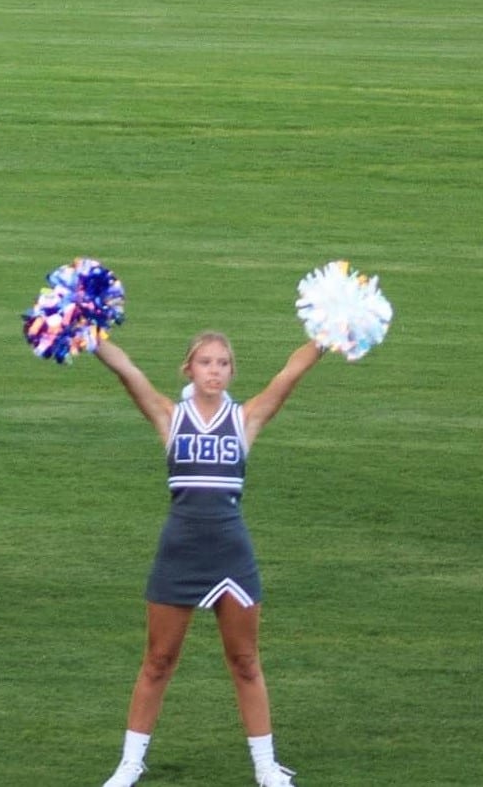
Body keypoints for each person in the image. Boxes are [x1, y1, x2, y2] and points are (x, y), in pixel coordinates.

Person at [91, 331, 325, 787]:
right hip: (178, 552)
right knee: (158, 660)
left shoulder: (245, 420)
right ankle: (129, 764)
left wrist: (324, 338)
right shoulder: (169, 417)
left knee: (245, 661)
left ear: (231, 372)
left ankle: (265, 767)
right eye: (205, 363)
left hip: (230, 554)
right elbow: (127, 371)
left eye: (222, 363)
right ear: (189, 369)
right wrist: (89, 334)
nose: (214, 371)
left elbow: (289, 375)